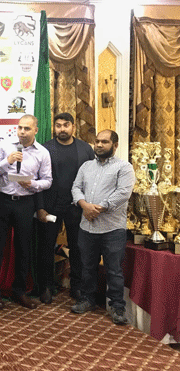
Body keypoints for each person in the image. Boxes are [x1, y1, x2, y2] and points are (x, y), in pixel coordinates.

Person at [0, 114, 52, 310]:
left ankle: (20, 291)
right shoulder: (5, 146)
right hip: (1, 200)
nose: (22, 132)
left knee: (23, 248)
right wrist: (7, 161)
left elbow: (48, 181)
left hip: (25, 202)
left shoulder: (43, 153)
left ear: (35, 131)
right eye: (20, 127)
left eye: (27, 128)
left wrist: (33, 184)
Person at [70, 130, 134, 325]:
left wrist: (98, 208)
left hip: (112, 229)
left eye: (104, 142)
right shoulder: (86, 166)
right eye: (97, 141)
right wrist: (84, 205)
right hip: (87, 227)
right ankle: (87, 299)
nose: (98, 145)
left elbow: (123, 193)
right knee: (87, 267)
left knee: (113, 270)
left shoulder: (124, 167)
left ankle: (117, 307)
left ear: (115, 145)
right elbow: (75, 188)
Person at [35, 113, 95, 304]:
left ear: (73, 127)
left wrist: (88, 205)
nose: (62, 129)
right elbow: (37, 180)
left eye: (66, 125)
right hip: (50, 207)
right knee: (46, 247)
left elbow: (93, 178)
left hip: (76, 207)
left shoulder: (85, 149)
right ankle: (46, 287)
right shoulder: (45, 149)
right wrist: (40, 207)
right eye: (58, 125)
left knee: (77, 247)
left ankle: (77, 286)